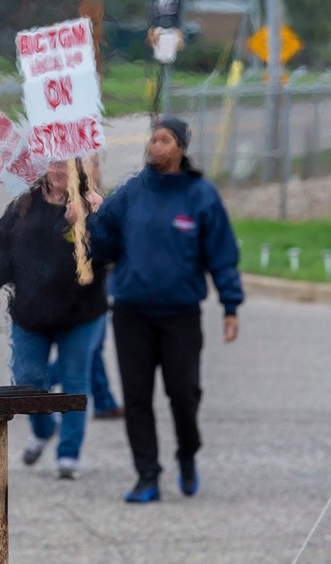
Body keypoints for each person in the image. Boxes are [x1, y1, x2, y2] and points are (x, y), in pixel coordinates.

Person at [82, 116, 244, 502]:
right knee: (137, 396)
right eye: (153, 140)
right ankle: (147, 476)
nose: (156, 146)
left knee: (183, 393)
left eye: (165, 140)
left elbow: (221, 254)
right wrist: (86, 220)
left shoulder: (200, 195)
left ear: (181, 147)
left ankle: (187, 455)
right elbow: (101, 243)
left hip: (180, 313)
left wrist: (230, 305)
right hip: (131, 312)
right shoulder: (132, 193)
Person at [0, 160, 108, 479]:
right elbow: (0, 250)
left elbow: (108, 254)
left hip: (80, 313)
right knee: (28, 383)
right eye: (53, 165)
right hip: (31, 312)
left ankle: (68, 454)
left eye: (66, 166)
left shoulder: (93, 206)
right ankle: (45, 428)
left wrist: (86, 223)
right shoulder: (23, 205)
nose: (59, 171)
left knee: (75, 382)